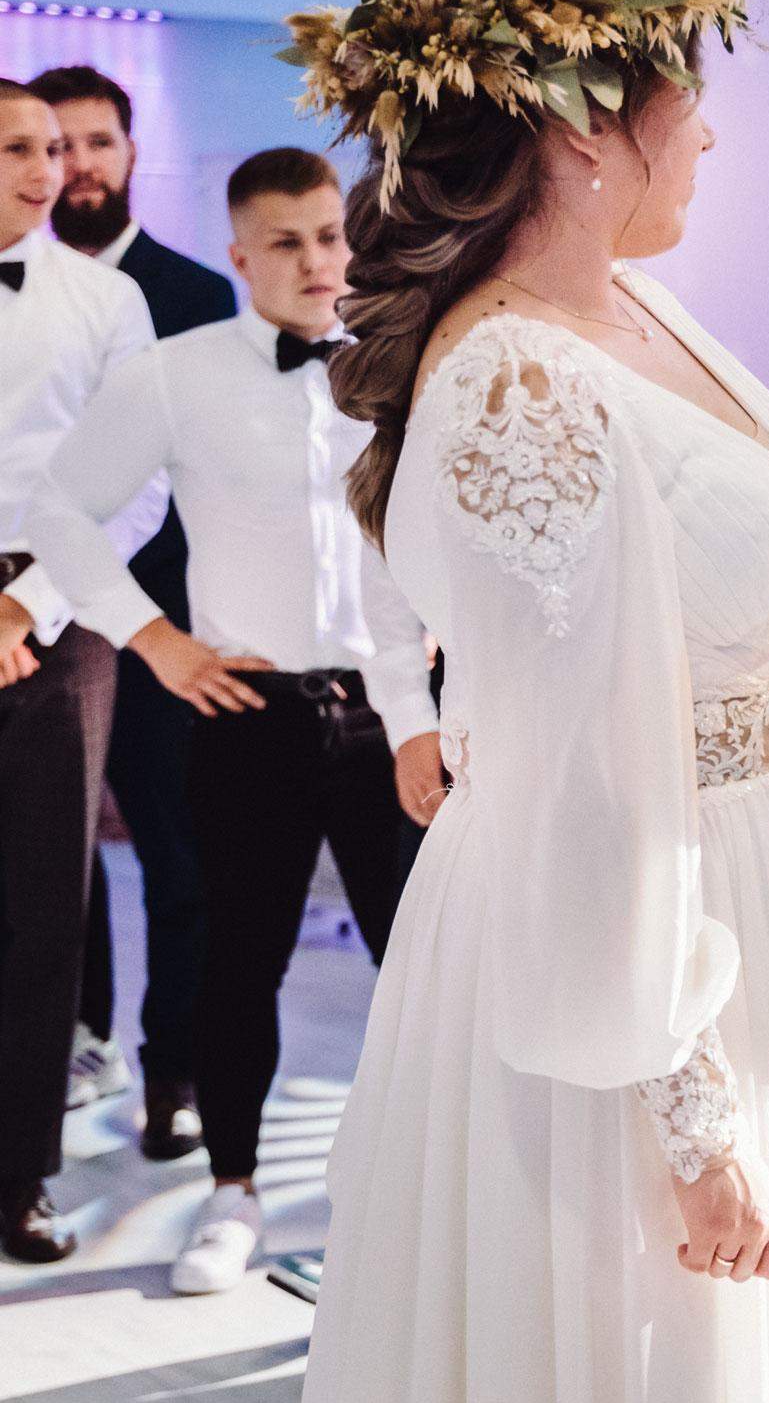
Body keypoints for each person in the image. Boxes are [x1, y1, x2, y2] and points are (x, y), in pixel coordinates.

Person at [289, 0, 769, 1398]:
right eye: (688, 96)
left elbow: (722, 590)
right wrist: (692, 1122)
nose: (708, 133)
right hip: (638, 948)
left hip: (765, 886)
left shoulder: (633, 307)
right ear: (586, 131)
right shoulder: (517, 386)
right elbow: (575, 780)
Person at [24, 147, 441, 1295]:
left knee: (423, 967)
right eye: (286, 241)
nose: (316, 261)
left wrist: (441, 630)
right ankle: (233, 1193)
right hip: (249, 714)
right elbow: (60, 510)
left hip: (389, 713)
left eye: (329, 235)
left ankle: (418, 1200)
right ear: (239, 255)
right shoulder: (174, 373)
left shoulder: (400, 368)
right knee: (236, 966)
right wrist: (155, 638)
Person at [30, 63, 237, 1158]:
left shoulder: (195, 294)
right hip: (38, 622)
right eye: (55, 144)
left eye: (97, 142)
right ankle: (79, 1040)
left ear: (129, 153)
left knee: (176, 855)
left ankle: (176, 1074)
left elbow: (196, 471)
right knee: (48, 857)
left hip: (160, 621)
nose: (77, 164)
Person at [0, 78, 156, 1263]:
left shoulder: (109, 299)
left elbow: (137, 481)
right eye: (17, 147)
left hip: (62, 617)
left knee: (45, 904)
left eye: (53, 147)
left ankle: (20, 1175)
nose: (45, 168)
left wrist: (26, 602)